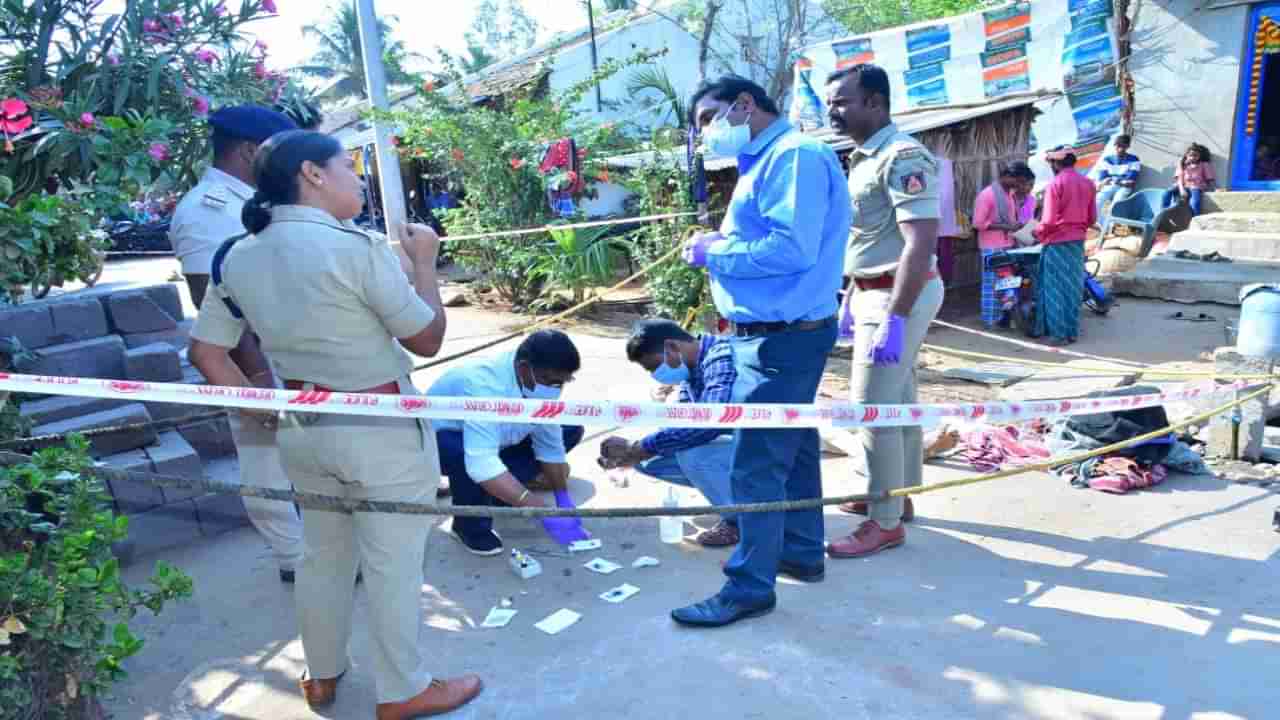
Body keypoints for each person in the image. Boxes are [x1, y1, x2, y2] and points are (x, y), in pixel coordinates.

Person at [187, 130, 481, 719]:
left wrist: (261, 408)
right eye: (346, 167)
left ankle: (320, 675)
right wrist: (425, 263)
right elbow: (426, 338)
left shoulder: (239, 255)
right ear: (312, 175)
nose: (358, 178)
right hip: (381, 431)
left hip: (304, 427)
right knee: (393, 563)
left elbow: (207, 353)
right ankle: (403, 691)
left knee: (323, 556)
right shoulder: (356, 248)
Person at [674, 75, 849, 627]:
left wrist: (715, 252)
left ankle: (749, 587)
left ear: (744, 105)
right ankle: (800, 550)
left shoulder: (793, 156)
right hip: (780, 331)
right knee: (792, 448)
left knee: (754, 463)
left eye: (708, 118)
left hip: (782, 336)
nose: (705, 134)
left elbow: (789, 249)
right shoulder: (772, 160)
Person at [168, 105, 305, 583]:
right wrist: (257, 383)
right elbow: (218, 307)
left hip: (289, 354)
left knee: (303, 457)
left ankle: (318, 549)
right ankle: (295, 559)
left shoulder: (252, 199)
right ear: (250, 151)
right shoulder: (207, 211)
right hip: (254, 364)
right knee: (266, 462)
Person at [824, 64, 946, 558]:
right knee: (899, 397)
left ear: (875, 102)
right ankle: (898, 494)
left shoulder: (903, 156)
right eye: (830, 103)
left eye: (843, 102)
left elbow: (919, 245)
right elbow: (871, 237)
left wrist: (894, 318)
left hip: (901, 292)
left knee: (872, 406)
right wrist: (853, 296)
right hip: (874, 290)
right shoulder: (863, 157)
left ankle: (885, 521)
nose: (833, 111)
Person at [427, 330, 584, 556]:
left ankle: (494, 491)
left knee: (571, 429)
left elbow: (549, 444)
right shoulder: (483, 385)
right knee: (467, 459)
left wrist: (562, 497)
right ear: (523, 368)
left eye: (562, 383)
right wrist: (541, 510)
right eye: (551, 381)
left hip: (496, 439)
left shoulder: (540, 382)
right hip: (443, 441)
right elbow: (481, 462)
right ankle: (468, 527)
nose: (555, 389)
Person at [599, 319, 741, 547]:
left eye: (654, 366)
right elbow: (681, 424)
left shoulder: (720, 357)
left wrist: (641, 447)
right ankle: (735, 497)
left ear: (672, 347)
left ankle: (740, 521)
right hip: (730, 446)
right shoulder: (692, 371)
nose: (656, 374)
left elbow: (709, 423)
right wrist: (631, 452)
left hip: (760, 449)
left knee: (692, 456)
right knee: (647, 460)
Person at [1034, 146, 1096, 345]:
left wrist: (1038, 232)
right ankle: (1071, 332)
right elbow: (1092, 217)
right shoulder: (1088, 183)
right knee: (1073, 287)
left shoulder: (1055, 184)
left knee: (1054, 288)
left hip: (1056, 242)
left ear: (1056, 163)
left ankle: (1057, 334)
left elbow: (1049, 220)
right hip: (1077, 242)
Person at [973, 164, 1028, 328]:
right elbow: (978, 223)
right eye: (1018, 181)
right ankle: (990, 321)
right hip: (992, 246)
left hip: (1007, 244)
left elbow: (1008, 220)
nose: (1019, 185)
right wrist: (1006, 227)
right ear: (1007, 176)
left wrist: (1015, 225)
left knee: (1007, 284)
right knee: (992, 285)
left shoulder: (1009, 195)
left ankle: (1003, 319)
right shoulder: (987, 195)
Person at [1095, 134, 1141, 223]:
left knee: (1116, 204)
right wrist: (1112, 181)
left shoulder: (1134, 159)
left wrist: (1114, 180)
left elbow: (1131, 181)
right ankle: (1104, 226)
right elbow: (1102, 178)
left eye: (1123, 147)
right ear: (1114, 145)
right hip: (1112, 185)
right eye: (1118, 146)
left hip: (1124, 187)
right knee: (1097, 202)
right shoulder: (1107, 159)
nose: (1120, 149)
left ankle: (1111, 225)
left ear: (1128, 147)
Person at [1161, 143, 1216, 217]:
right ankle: (1163, 213)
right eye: (1191, 155)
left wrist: (1215, 188)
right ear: (1187, 155)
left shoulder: (1204, 164)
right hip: (1183, 185)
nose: (1193, 157)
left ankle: (1195, 218)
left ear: (1199, 156)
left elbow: (1210, 179)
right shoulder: (1183, 164)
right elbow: (1179, 178)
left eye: (1196, 155)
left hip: (1196, 186)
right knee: (1167, 192)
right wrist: (1181, 189)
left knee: (1195, 201)